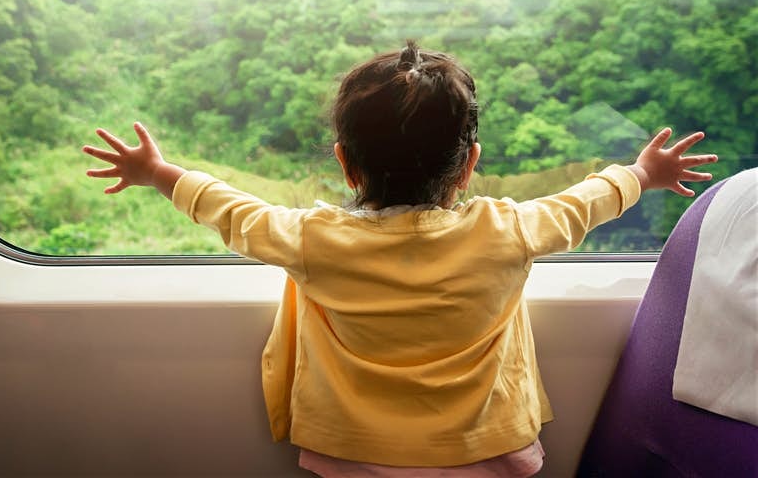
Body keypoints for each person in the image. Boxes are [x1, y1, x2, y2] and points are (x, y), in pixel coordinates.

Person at [83, 42, 717, 477]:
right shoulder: (509, 230)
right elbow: (586, 202)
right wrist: (641, 172)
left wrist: (159, 172)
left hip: (352, 455)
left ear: (345, 162)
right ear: (469, 163)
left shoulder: (316, 240)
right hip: (489, 451)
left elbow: (234, 212)